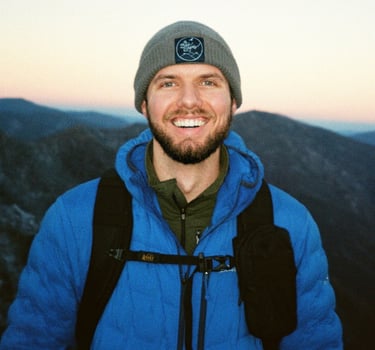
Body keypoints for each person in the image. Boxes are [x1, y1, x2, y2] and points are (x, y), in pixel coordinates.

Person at [0, 21, 342, 349]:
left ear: (233, 101)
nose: (189, 100)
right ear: (145, 104)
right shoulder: (74, 220)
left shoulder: (290, 223)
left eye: (209, 82)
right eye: (168, 82)